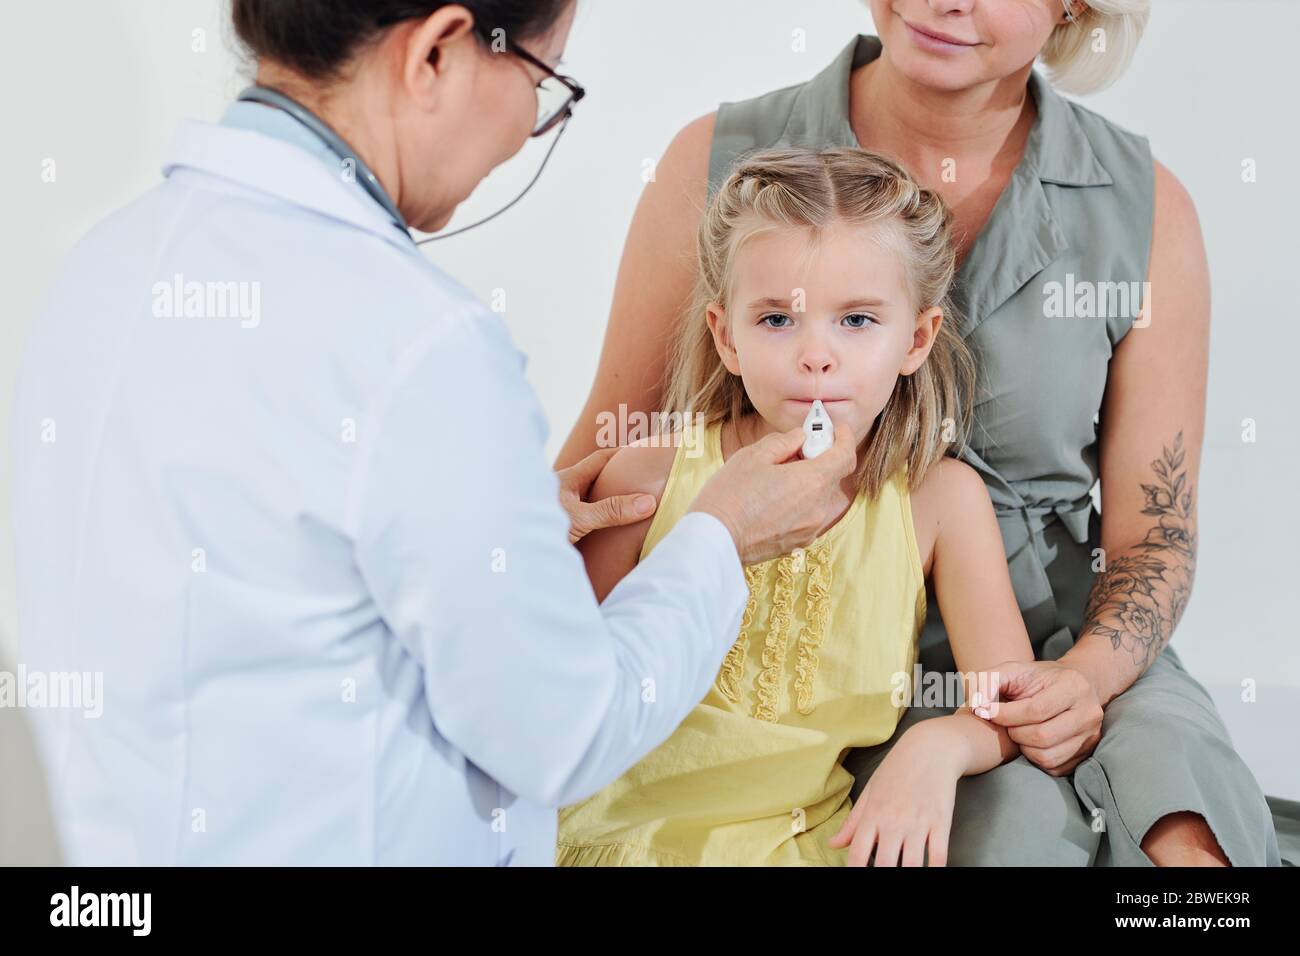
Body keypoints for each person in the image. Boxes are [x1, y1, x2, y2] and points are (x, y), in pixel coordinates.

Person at [8, 0, 857, 865]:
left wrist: (496, 533)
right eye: (542, 81)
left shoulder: (101, 270)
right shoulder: (420, 345)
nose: (533, 129)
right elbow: (562, 730)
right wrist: (719, 538)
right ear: (438, 54)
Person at [554, 0, 1281, 865]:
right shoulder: (714, 160)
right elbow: (602, 470)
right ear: (728, 328)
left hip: (1055, 639)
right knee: (1014, 842)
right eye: (779, 321)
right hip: (798, 675)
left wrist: (1077, 683)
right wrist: (538, 520)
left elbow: (1153, 538)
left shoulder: (1144, 208)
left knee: (1189, 850)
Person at [556, 146, 1036, 865]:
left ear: (917, 338)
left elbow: (1008, 701)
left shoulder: (941, 503)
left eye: (857, 321)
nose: (817, 355)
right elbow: (559, 696)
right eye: (778, 320)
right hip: (615, 844)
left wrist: (941, 744)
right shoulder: (646, 477)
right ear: (727, 338)